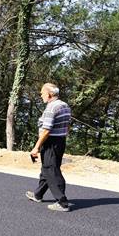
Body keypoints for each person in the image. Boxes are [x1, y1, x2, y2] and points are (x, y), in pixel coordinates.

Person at [26, 83, 72, 212]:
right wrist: (62, 136)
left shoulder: (52, 108)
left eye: (42, 93)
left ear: (49, 94)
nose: (41, 95)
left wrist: (36, 147)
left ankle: (62, 202)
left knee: (51, 170)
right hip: (60, 141)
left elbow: (46, 130)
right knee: (47, 169)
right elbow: (67, 125)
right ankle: (38, 194)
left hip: (51, 142)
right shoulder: (65, 106)